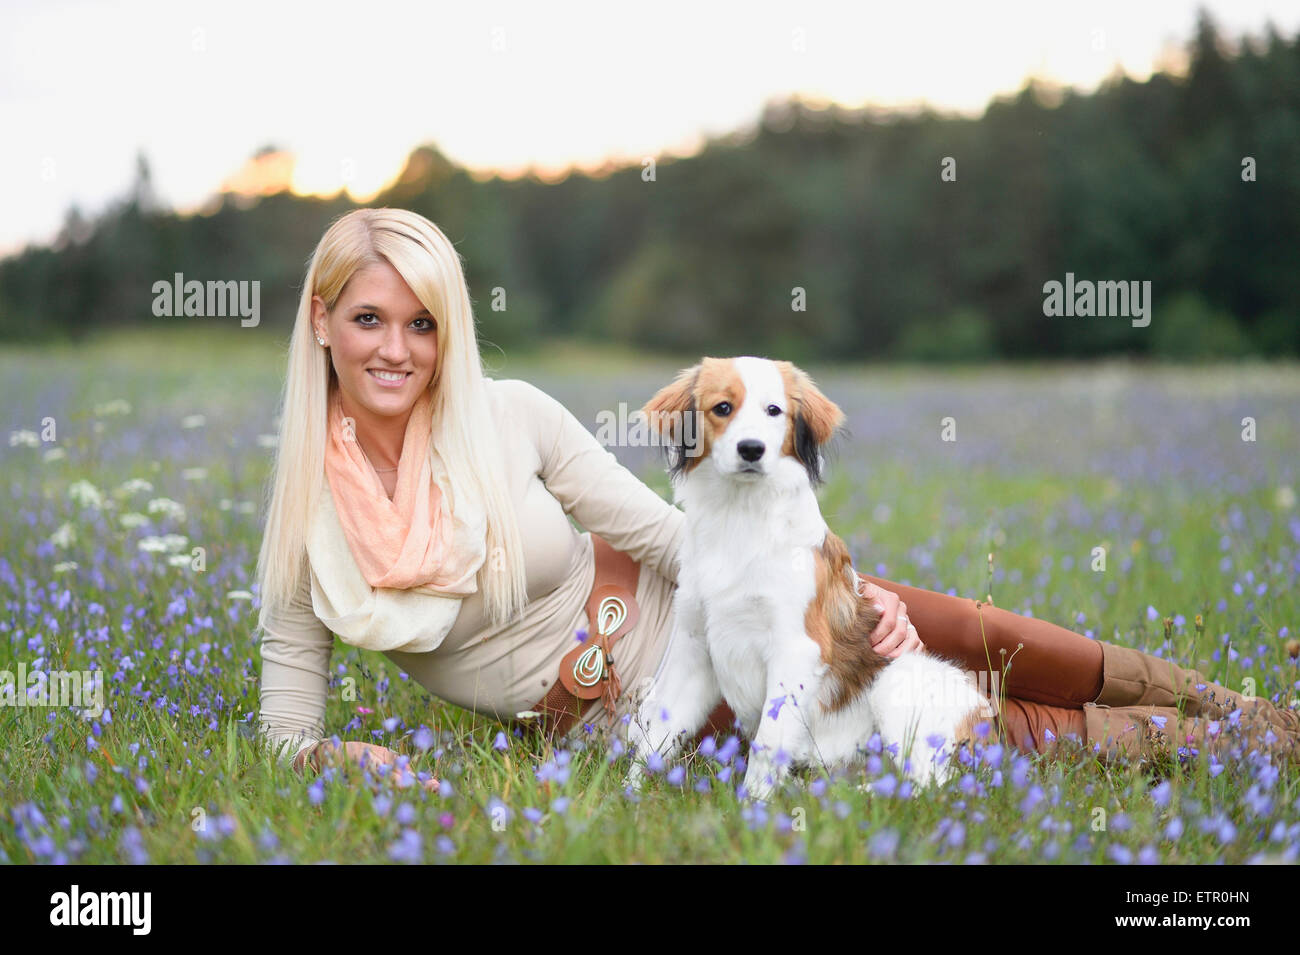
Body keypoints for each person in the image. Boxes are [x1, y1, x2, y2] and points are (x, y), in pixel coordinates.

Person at [256, 208, 1298, 789]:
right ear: (321, 320)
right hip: (642, 700)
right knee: (964, 729)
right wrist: (337, 752)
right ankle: (1230, 749)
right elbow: (285, 728)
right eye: (369, 318)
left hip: (727, 588)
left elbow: (665, 529)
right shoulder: (307, 521)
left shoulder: (510, 414)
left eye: (422, 323)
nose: (397, 349)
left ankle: (1244, 709)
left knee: (969, 629)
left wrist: (828, 579)